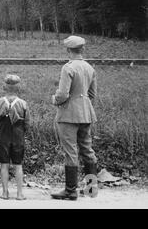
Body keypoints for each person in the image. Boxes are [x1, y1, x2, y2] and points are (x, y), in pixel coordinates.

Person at [50, 35, 98, 201]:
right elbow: (92, 94)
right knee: (87, 149)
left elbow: (63, 94)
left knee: (70, 151)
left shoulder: (68, 68)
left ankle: (71, 190)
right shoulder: (90, 68)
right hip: (86, 113)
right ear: (82, 49)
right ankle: (91, 188)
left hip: (69, 115)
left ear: (68, 50)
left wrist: (54, 99)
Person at [0, 74, 31, 200]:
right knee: (18, 165)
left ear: (4, 87)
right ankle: (19, 194)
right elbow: (27, 123)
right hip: (18, 137)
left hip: (3, 138)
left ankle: (5, 192)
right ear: (19, 88)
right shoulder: (23, 104)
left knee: (4, 165)